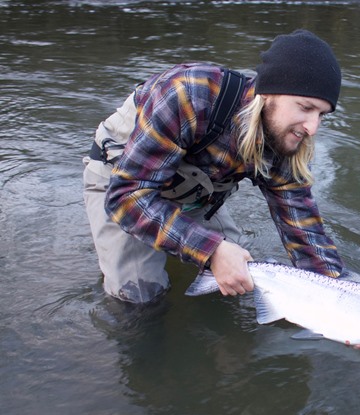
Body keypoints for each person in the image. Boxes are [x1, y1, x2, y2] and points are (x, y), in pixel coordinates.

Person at [83, 29, 346, 304]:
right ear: (268, 94)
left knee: (240, 281)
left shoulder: (285, 138)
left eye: (321, 115)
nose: (313, 128)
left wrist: (341, 297)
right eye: (305, 108)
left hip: (193, 194)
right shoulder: (188, 94)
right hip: (124, 183)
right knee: (141, 299)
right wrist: (213, 250)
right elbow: (126, 197)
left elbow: (303, 229)